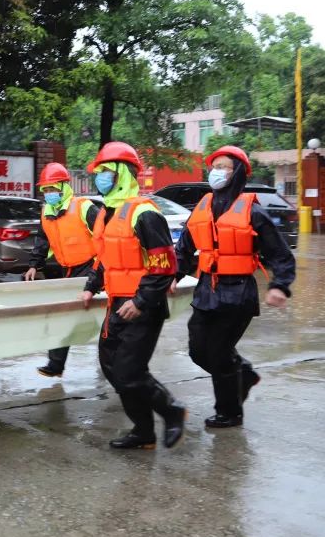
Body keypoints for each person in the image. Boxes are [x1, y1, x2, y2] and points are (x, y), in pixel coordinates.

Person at [175, 145, 295, 428]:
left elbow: (281, 254)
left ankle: (229, 412)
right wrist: (173, 276)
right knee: (198, 350)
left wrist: (280, 285)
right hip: (206, 289)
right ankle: (243, 374)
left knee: (217, 351)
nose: (217, 171)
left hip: (237, 291)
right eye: (214, 166)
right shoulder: (202, 207)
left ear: (237, 172)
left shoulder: (252, 212)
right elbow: (183, 248)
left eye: (224, 166)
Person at [82, 142, 186, 450]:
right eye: (97, 172)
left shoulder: (144, 213)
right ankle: (143, 432)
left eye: (105, 172)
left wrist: (140, 301)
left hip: (143, 306)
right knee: (112, 368)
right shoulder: (106, 213)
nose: (99, 177)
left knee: (129, 371)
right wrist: (91, 284)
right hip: (116, 303)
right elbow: (105, 258)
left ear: (122, 174)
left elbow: (164, 265)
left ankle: (171, 410)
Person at [25, 162, 100, 377]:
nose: (49, 194)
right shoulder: (47, 212)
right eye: (45, 190)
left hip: (93, 266)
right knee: (63, 316)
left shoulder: (84, 207)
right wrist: (33, 265)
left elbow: (104, 235)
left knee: (89, 315)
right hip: (68, 270)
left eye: (53, 189)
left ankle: (114, 357)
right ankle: (56, 365)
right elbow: (42, 240)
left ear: (64, 187)